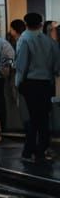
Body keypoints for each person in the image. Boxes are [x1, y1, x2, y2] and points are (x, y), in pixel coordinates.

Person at [14, 11, 60, 163]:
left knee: (32, 117)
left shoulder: (24, 40)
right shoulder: (49, 41)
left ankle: (29, 151)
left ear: (26, 24)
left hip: (30, 83)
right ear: (41, 24)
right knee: (44, 117)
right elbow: (56, 64)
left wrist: (18, 83)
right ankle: (42, 148)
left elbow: (21, 65)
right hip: (46, 83)